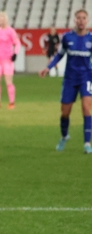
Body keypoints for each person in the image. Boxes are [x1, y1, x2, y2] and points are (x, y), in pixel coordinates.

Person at [40, 9, 92, 153]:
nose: (81, 20)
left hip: (86, 77)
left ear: (87, 21)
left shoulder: (91, 38)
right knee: (65, 112)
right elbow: (59, 55)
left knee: (87, 108)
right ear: (75, 20)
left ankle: (87, 143)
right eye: (78, 18)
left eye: (83, 18)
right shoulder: (67, 37)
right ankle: (64, 136)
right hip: (70, 78)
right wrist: (48, 67)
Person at [0, 12, 21, 109]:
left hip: (8, 60)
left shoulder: (11, 31)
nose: (1, 21)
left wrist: (15, 53)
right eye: (0, 19)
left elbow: (17, 43)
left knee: (9, 82)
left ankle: (11, 103)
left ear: (6, 20)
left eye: (3, 19)